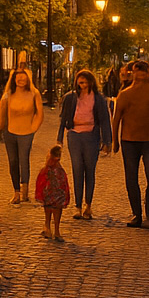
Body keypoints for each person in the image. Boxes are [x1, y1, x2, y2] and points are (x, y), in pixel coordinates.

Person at [111, 60, 149, 229]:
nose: (139, 75)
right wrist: (115, 140)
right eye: (136, 72)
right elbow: (116, 118)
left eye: (142, 72)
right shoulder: (125, 94)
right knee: (131, 178)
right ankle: (137, 214)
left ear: (148, 73)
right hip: (129, 140)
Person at [56, 69, 111, 221]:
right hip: (74, 135)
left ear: (91, 83)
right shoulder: (70, 97)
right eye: (80, 83)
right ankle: (78, 206)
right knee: (77, 169)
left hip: (91, 135)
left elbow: (105, 120)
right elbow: (63, 118)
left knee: (90, 170)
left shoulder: (98, 99)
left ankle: (88, 204)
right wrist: (59, 138)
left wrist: (107, 141)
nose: (83, 86)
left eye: (86, 83)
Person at [0, 68, 44, 205]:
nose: (21, 80)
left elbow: (40, 113)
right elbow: (2, 109)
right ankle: (16, 191)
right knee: (13, 161)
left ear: (28, 79)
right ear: (14, 80)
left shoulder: (34, 93)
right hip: (10, 131)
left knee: (24, 160)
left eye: (23, 78)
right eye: (18, 78)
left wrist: (34, 128)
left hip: (26, 132)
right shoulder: (9, 94)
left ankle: (24, 191)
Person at [35, 145, 71, 242]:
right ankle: (56, 231)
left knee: (48, 207)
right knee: (57, 209)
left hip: (48, 192)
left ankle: (47, 227)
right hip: (57, 194)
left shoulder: (45, 169)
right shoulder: (59, 170)